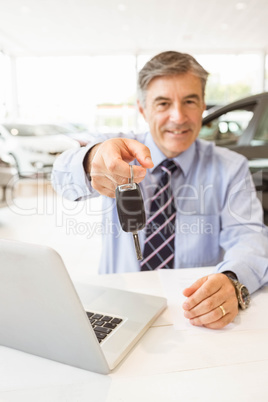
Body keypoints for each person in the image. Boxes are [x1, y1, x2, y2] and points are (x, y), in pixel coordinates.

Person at [52, 51, 268, 330]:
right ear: (143, 109)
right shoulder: (117, 151)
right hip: (120, 307)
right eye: (163, 103)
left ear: (203, 105)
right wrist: (92, 159)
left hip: (193, 313)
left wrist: (232, 278)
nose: (178, 117)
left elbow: (249, 238)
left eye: (189, 101)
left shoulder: (231, 167)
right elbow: (60, 175)